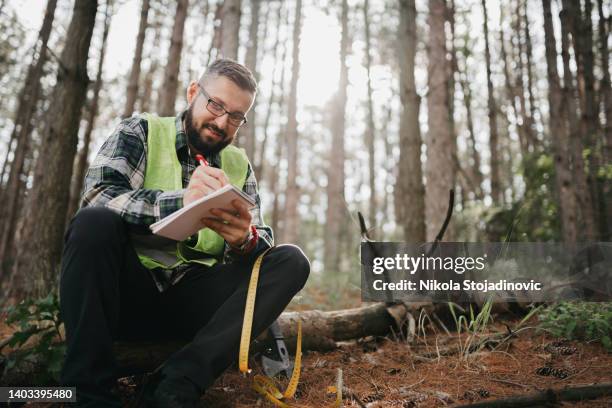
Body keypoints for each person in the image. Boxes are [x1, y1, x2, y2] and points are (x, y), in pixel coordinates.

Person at [59, 59, 310, 407]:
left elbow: (261, 239)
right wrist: (178, 202)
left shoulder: (238, 165)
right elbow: (98, 196)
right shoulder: (141, 131)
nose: (222, 122)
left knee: (291, 261)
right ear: (194, 92)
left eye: (236, 116)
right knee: (93, 223)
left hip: (194, 303)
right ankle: (90, 394)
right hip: (126, 294)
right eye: (216, 105)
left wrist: (245, 240)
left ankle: (175, 384)